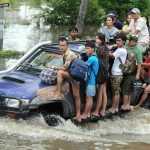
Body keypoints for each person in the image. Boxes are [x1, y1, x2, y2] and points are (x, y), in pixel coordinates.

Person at [55, 37, 81, 122]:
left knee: (76, 96)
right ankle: (76, 114)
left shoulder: (70, 54)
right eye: (60, 45)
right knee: (75, 95)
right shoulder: (64, 53)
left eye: (63, 45)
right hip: (71, 74)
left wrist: (54, 68)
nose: (61, 47)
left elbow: (64, 68)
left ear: (67, 45)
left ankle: (78, 115)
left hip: (75, 76)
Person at [108, 32, 127, 114]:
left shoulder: (120, 50)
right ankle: (115, 107)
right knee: (116, 91)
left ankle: (114, 108)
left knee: (115, 92)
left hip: (116, 74)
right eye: (116, 41)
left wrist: (105, 50)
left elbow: (111, 56)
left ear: (123, 41)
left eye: (119, 41)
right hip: (117, 73)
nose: (117, 42)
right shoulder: (122, 49)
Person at [81, 40, 99, 120]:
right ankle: (88, 113)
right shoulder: (93, 57)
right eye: (86, 48)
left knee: (89, 99)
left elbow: (83, 65)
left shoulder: (92, 58)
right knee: (89, 98)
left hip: (91, 82)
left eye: (88, 48)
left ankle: (85, 114)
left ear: (93, 49)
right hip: (91, 81)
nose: (86, 50)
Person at [92, 33, 109, 118]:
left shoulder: (99, 48)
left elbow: (97, 60)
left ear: (101, 40)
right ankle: (103, 110)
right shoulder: (106, 47)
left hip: (101, 72)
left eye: (97, 39)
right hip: (105, 72)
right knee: (103, 92)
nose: (96, 40)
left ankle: (96, 111)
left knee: (100, 92)